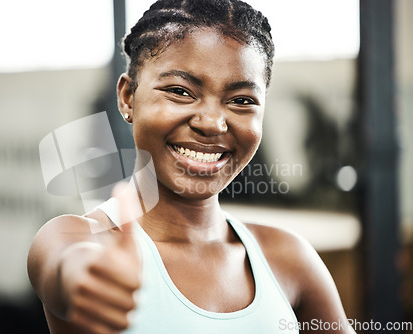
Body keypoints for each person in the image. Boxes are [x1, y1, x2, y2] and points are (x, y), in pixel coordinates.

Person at [27, 0, 355, 333]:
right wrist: (85, 278)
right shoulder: (75, 238)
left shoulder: (287, 257)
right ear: (128, 97)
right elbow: (66, 267)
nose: (213, 123)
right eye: (180, 91)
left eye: (242, 100)